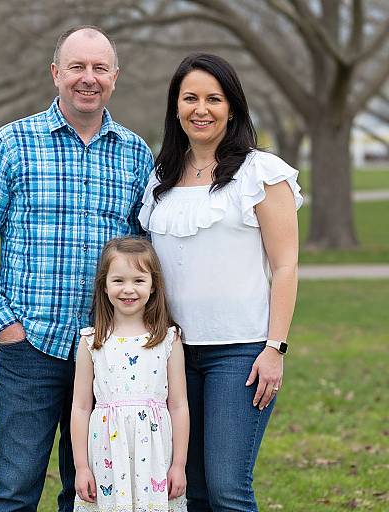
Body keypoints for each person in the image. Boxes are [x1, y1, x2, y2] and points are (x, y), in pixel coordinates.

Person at [0, 26, 153, 512]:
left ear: (115, 77)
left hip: (107, 350)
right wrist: (6, 326)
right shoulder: (10, 144)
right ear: (56, 73)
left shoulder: (135, 154)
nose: (88, 78)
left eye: (100, 68)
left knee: (90, 494)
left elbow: (143, 251)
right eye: (77, 67)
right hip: (32, 348)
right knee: (14, 490)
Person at [139, 53, 302, 511]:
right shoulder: (160, 179)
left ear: (232, 107)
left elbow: (286, 266)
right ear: (175, 107)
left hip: (241, 352)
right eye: (190, 98)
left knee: (229, 487)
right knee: (190, 489)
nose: (201, 108)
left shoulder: (262, 173)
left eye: (214, 98)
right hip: (171, 354)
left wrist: (276, 349)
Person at [71, 237, 189, 512]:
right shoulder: (92, 341)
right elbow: (80, 407)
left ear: (153, 285)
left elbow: (179, 405)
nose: (128, 290)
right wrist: (81, 467)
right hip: (107, 455)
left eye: (138, 280)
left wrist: (179, 464)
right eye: (118, 280)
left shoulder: (168, 339)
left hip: (155, 454)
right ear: (104, 285)